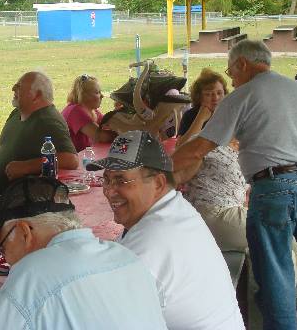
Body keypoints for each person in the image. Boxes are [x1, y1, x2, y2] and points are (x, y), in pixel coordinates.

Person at [171, 39, 297, 330]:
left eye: (231, 72)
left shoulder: (241, 96)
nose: (231, 80)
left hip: (274, 187)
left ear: (242, 63)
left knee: (275, 273)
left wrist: (159, 169)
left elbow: (198, 149)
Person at [0, 176, 167, 329]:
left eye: (3, 247)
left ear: (24, 232)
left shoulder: (33, 273)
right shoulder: (125, 256)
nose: (6, 259)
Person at [90, 130, 245, 330]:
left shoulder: (148, 246)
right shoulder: (174, 209)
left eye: (121, 180)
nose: (109, 191)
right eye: (107, 179)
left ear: (158, 183)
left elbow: (103, 319)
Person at [176, 68, 249, 251]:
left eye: (219, 93)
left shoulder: (231, 115)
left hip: (233, 197)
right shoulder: (192, 116)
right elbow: (183, 150)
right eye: (208, 94)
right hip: (210, 204)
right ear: (199, 97)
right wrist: (201, 118)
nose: (215, 98)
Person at [0, 71, 78, 197]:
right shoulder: (17, 113)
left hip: (18, 201)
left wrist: (26, 167)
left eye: (19, 86)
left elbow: (71, 160)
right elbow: (5, 149)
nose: (13, 89)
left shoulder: (48, 121)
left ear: (36, 95)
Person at [61, 73, 116, 151]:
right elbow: (102, 137)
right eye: (97, 92)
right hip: (72, 157)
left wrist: (118, 111)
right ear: (83, 95)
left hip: (84, 155)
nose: (102, 96)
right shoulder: (75, 111)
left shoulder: (92, 111)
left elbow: (110, 124)